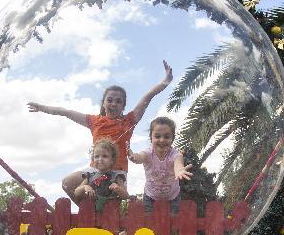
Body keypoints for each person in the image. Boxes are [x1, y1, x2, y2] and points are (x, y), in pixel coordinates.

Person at [28, 61, 175, 201]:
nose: (113, 104)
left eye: (118, 101)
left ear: (123, 106)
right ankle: (88, 212)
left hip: (117, 173)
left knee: (112, 204)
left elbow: (147, 98)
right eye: (110, 100)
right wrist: (43, 108)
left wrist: (164, 82)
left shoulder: (128, 121)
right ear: (104, 103)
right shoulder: (94, 121)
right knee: (67, 182)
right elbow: (66, 112)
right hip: (95, 170)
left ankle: (109, 219)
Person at [128, 117, 193, 213]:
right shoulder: (148, 153)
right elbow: (140, 157)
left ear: (172, 138)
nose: (162, 140)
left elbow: (178, 164)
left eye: (166, 137)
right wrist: (134, 157)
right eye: (157, 136)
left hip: (172, 197)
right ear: (151, 138)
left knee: (173, 223)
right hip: (150, 196)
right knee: (149, 223)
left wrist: (179, 171)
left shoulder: (176, 154)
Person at [73, 139, 128, 210]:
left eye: (105, 156)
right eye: (97, 156)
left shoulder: (117, 176)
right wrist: (84, 187)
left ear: (112, 160)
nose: (100, 159)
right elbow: (76, 193)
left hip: (111, 213)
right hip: (91, 213)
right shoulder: (89, 176)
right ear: (93, 159)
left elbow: (126, 196)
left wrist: (118, 189)